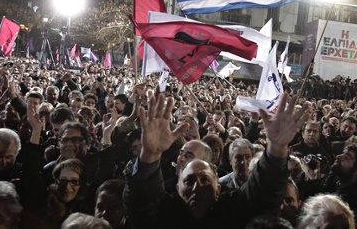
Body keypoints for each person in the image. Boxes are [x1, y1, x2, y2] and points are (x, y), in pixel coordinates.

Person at [123, 93, 311, 228]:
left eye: (205, 180)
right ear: (177, 188)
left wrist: (277, 148)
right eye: (188, 181)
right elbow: (141, 202)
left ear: (218, 189)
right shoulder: (163, 215)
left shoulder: (231, 212)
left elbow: (261, 193)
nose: (197, 187)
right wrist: (149, 155)